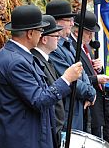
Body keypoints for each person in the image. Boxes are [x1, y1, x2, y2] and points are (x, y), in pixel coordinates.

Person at [0, 5, 83, 148]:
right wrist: (66, 79)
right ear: (30, 33)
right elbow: (39, 100)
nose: (41, 34)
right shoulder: (16, 62)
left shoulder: (17, 56)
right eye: (40, 30)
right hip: (20, 140)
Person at [46, 0, 96, 131]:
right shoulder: (53, 48)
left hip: (78, 107)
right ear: (56, 22)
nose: (72, 23)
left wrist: (91, 92)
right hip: (67, 111)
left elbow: (82, 71)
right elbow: (70, 79)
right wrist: (90, 93)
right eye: (68, 20)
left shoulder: (67, 44)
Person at [70, 10, 109, 137]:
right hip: (86, 102)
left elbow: (90, 69)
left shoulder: (87, 47)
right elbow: (75, 76)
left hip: (96, 102)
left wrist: (99, 68)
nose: (91, 37)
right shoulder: (73, 47)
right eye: (88, 33)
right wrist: (96, 79)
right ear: (77, 32)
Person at [30, 15, 64, 148]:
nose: (59, 39)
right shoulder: (36, 61)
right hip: (50, 129)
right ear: (44, 39)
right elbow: (44, 96)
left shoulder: (47, 60)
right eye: (56, 36)